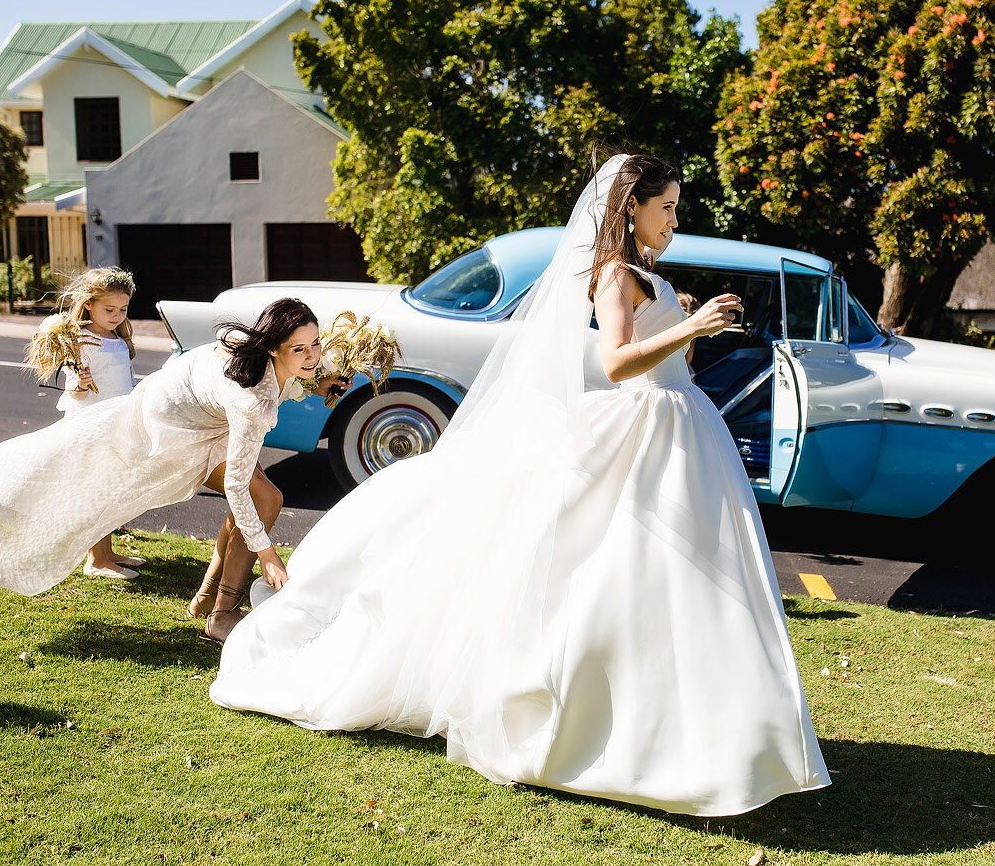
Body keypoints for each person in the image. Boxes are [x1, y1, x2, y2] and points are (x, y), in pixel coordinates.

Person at [210, 154, 830, 817]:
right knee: (622, 574)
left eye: (676, 207)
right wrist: (691, 324)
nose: (675, 220)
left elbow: (666, 356)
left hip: (683, 427)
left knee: (687, 581)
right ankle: (623, 729)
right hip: (648, 426)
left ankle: (708, 730)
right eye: (666, 207)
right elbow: (618, 362)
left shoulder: (651, 273)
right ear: (631, 208)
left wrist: (694, 332)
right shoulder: (615, 274)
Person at [0, 298, 348, 643]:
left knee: (261, 498)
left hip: (177, 404)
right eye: (300, 349)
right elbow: (237, 483)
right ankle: (222, 615)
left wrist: (314, 380)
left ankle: (207, 600)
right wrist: (268, 555)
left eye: (315, 345)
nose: (312, 355)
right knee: (262, 497)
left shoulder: (248, 344)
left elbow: (278, 378)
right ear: (273, 346)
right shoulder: (250, 403)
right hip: (171, 429)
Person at [25, 266, 142, 580]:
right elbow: (75, 393)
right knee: (96, 491)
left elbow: (123, 379)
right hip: (93, 424)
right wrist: (79, 383)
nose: (117, 315)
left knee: (111, 490)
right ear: (88, 304)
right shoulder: (80, 339)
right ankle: (96, 560)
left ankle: (107, 551)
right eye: (109, 309)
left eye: (123, 309)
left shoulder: (116, 335)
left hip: (117, 420)